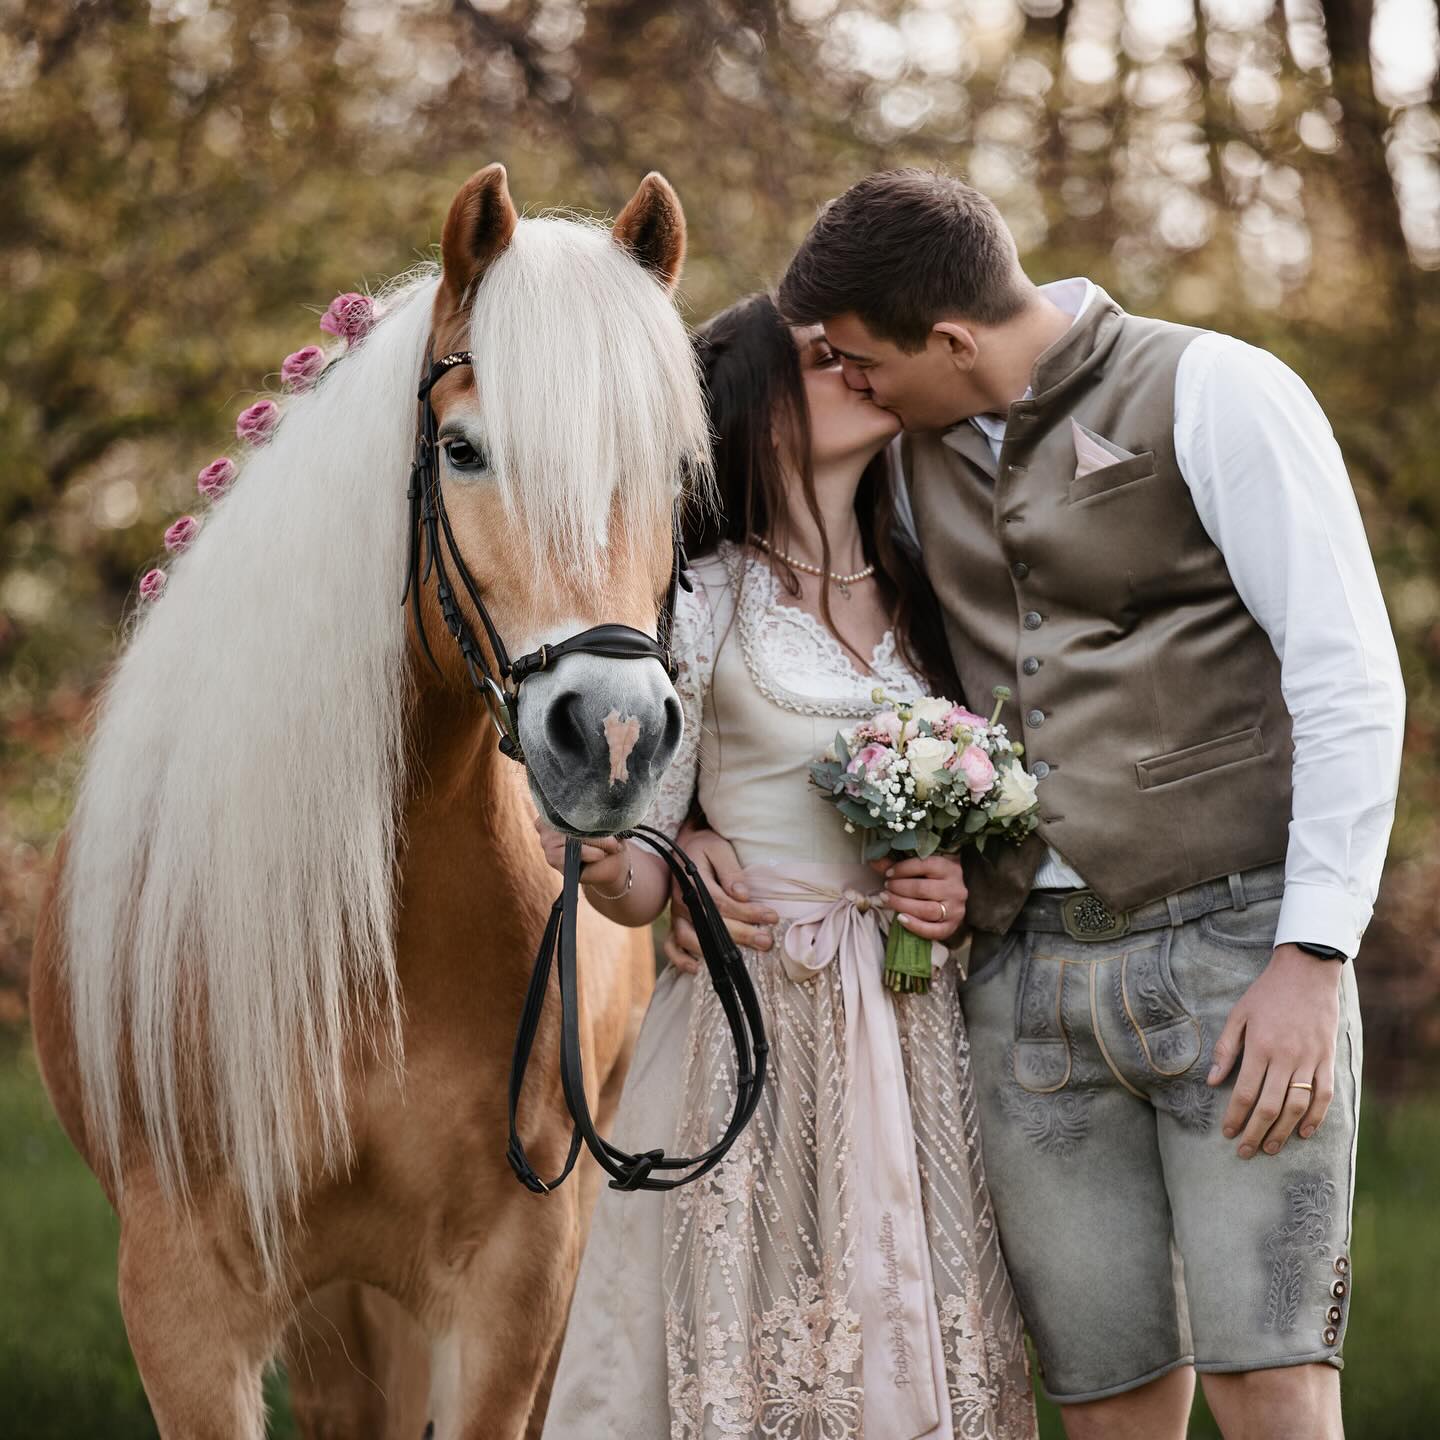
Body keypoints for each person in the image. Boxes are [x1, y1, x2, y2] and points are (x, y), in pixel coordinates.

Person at [672, 170, 1405, 1440]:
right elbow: (799, 649)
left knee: (1272, 1382)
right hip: (1022, 986)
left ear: (950, 342)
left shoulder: (1217, 391)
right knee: (1105, 1399)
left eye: (860, 360)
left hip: (1237, 950)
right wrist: (683, 825)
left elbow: (1347, 679)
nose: (856, 386)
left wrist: (1314, 951)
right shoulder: (905, 468)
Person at [536, 293, 1039, 1440]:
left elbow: (968, 817)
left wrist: (947, 894)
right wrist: (628, 851)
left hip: (912, 1033)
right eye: (822, 360)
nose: (859, 369)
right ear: (757, 413)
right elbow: (641, 872)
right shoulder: (704, 597)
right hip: (748, 1033)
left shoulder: (928, 594)